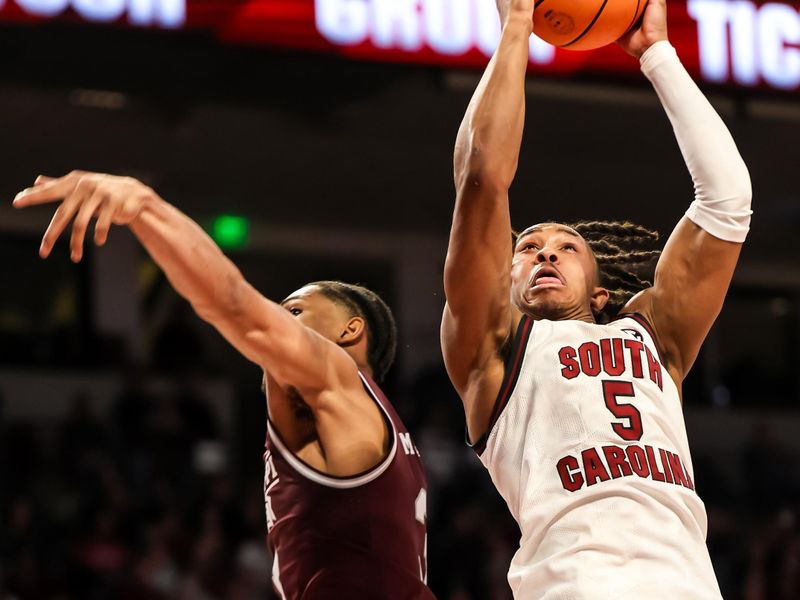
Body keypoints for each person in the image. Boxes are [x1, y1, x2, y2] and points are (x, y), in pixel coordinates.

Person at [441, 0, 752, 597]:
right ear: (504, 284)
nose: (546, 253)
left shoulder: (653, 337)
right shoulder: (493, 347)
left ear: (603, 289)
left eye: (567, 248)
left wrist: (658, 55)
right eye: (528, 248)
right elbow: (482, 177)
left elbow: (727, 200)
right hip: (574, 583)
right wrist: (517, 29)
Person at [13, 173, 433, 599]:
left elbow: (232, 304)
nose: (281, 320)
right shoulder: (378, 429)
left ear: (350, 330)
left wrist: (143, 205)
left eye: (294, 310)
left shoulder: (336, 376)